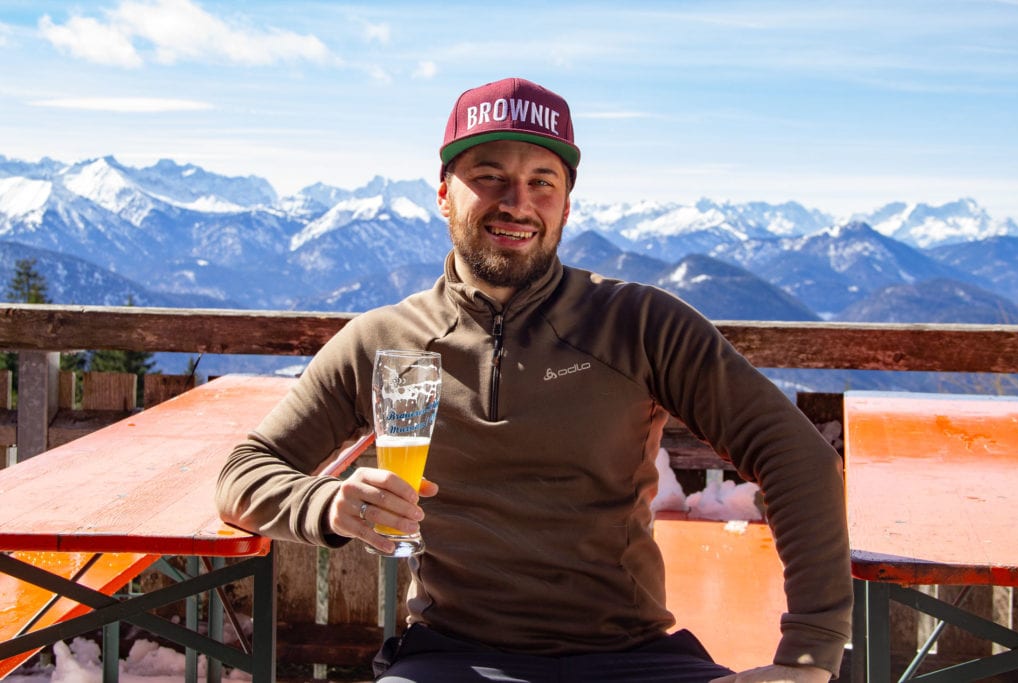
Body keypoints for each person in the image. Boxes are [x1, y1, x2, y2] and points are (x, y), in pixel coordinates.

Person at [216, 77, 852, 683]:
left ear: (567, 205)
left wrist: (808, 655)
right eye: (489, 177)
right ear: (444, 193)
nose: (517, 203)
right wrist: (326, 505)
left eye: (541, 182)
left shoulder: (639, 322)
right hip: (451, 658)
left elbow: (797, 458)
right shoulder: (384, 340)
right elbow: (243, 472)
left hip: (630, 656)